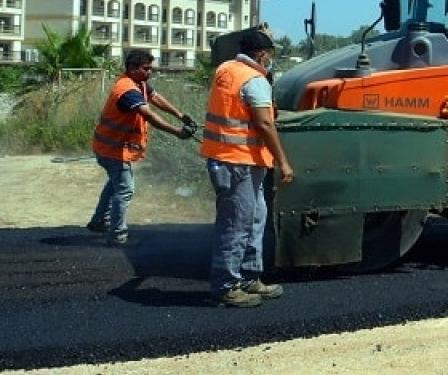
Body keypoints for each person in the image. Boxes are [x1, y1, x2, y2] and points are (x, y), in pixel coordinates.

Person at [201, 29, 295, 308]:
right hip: (238, 161)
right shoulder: (255, 80)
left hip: (233, 160)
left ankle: (249, 277)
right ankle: (225, 286)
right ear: (263, 55)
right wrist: (284, 162)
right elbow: (265, 124)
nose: (270, 62)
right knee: (236, 225)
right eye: (270, 56)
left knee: (255, 219)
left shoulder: (226, 69)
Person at [87, 49, 195, 246]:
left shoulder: (139, 83)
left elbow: (155, 98)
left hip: (111, 147)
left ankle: (98, 220)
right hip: (112, 149)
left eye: (151, 68)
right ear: (132, 68)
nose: (150, 72)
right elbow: (149, 115)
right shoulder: (126, 90)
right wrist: (177, 131)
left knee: (115, 184)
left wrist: (180, 114)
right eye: (146, 68)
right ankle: (117, 234)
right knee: (125, 189)